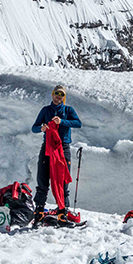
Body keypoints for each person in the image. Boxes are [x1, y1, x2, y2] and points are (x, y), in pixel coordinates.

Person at [31, 85, 82, 227]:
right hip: (47, 147)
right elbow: (34, 127)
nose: (58, 96)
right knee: (42, 179)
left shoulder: (68, 110)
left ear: (64, 97)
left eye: (61, 94)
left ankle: (62, 216)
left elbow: (78, 123)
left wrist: (62, 121)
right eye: (56, 93)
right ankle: (39, 214)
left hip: (63, 148)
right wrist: (41, 128)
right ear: (52, 94)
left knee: (62, 181)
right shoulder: (45, 110)